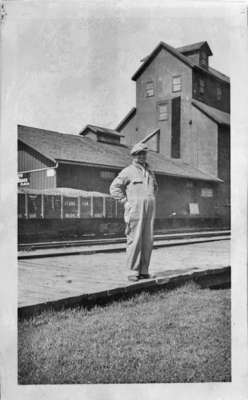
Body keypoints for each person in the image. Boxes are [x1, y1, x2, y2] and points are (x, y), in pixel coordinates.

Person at [110, 142, 158, 281]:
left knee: (147, 241)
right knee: (135, 240)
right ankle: (132, 272)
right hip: (135, 210)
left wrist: (148, 199)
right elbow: (114, 188)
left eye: (144, 154)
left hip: (149, 211)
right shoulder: (128, 171)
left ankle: (143, 271)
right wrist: (125, 202)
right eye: (139, 154)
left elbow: (155, 187)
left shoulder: (150, 172)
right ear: (134, 155)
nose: (142, 156)